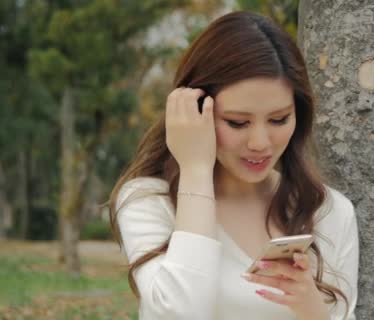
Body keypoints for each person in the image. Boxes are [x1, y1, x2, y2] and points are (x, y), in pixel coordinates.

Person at [107, 11, 359, 320]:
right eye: (237, 122)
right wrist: (196, 172)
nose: (260, 142)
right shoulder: (149, 201)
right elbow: (180, 313)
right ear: (196, 111)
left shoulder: (328, 211)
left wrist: (312, 310)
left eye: (279, 119)